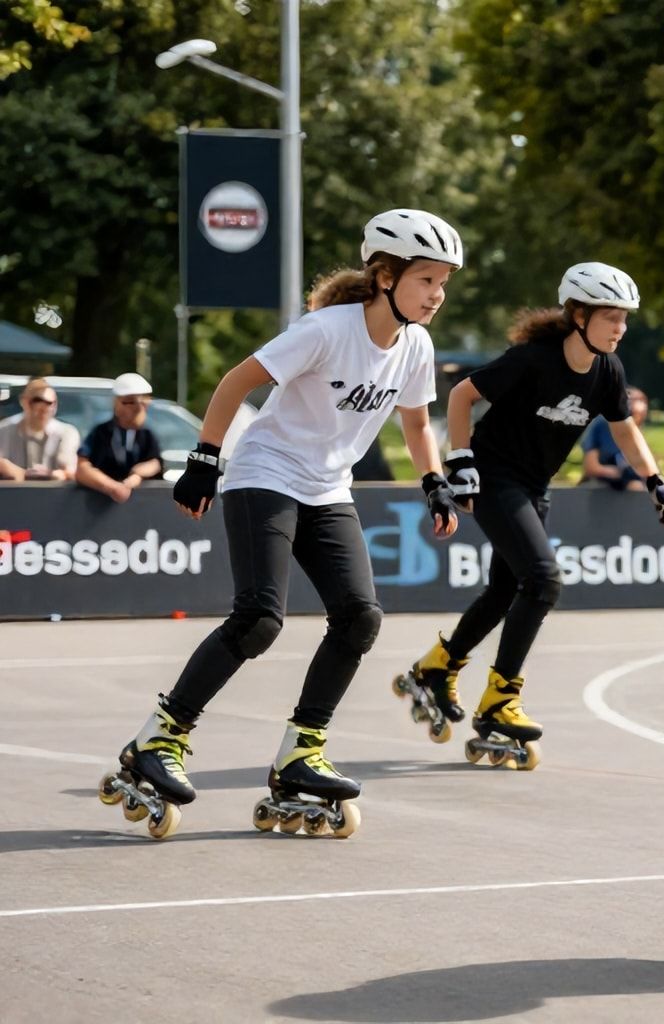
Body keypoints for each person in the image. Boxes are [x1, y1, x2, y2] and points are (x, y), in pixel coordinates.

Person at [98, 209, 465, 840]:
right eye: (426, 279)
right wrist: (205, 460)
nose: (436, 295)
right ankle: (160, 739)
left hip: (328, 488)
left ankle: (301, 752)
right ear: (384, 276)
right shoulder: (327, 330)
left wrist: (434, 483)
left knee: (360, 616)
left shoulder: (417, 347)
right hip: (264, 475)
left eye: (443, 283)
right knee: (260, 619)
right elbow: (237, 381)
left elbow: (413, 422)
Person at [395, 263, 664, 767]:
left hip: (533, 486)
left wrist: (654, 481)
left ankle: (437, 667)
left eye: (624, 318)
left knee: (507, 589)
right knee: (543, 578)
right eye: (610, 316)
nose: (620, 327)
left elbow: (624, 429)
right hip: (493, 478)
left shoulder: (608, 371)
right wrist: (460, 462)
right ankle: (501, 699)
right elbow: (463, 395)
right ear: (578, 315)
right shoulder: (533, 359)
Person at [74, 373, 163, 502]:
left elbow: (156, 462)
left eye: (143, 404)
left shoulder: (147, 435)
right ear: (117, 404)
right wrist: (112, 487)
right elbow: (82, 468)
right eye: (130, 403)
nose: (139, 410)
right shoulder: (102, 433)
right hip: (97, 506)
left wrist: (138, 473)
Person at [0, 378, 80, 481]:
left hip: (54, 494)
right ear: (24, 402)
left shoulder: (67, 433)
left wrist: (50, 475)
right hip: (12, 494)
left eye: (49, 403)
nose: (43, 410)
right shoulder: (4, 430)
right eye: (37, 401)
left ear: (55, 406)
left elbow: (70, 472)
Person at [582, 386, 651, 490]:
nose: (641, 406)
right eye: (633, 401)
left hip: (630, 482)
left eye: (643, 401)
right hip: (601, 484)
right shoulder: (602, 425)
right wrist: (622, 474)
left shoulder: (637, 431)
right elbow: (591, 467)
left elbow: (647, 469)